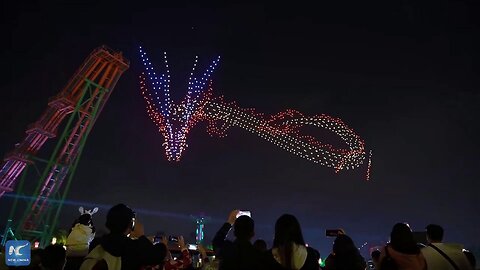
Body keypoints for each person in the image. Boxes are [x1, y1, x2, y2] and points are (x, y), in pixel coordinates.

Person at [80, 203, 167, 270]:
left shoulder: (96, 243)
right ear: (130, 225)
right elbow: (157, 255)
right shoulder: (132, 247)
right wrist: (141, 236)